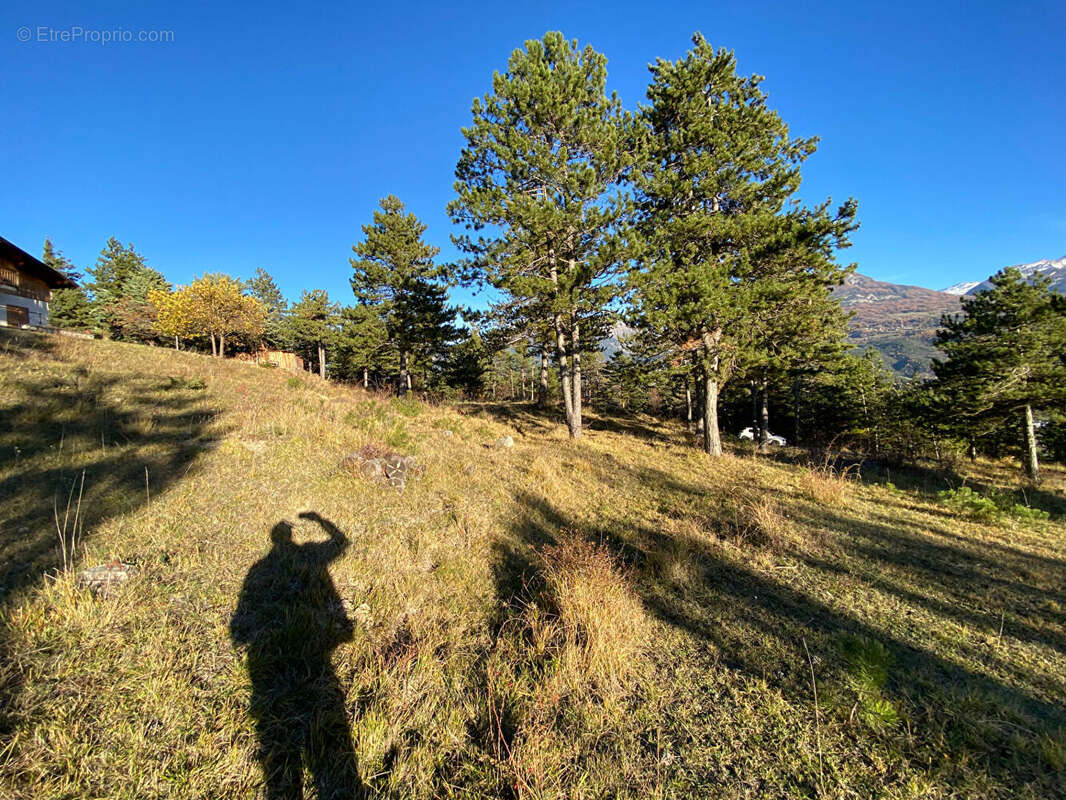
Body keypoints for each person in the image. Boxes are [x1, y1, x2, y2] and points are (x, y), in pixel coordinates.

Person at [231, 512, 363, 799]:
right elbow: (341, 542)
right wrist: (318, 520)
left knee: (277, 739)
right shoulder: (298, 557)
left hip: (275, 663)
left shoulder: (260, 569)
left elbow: (239, 628)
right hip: (315, 653)